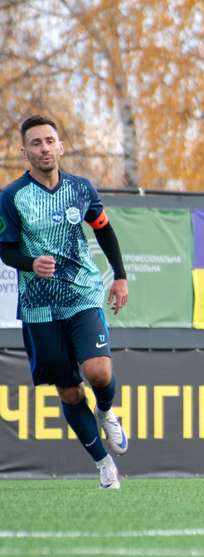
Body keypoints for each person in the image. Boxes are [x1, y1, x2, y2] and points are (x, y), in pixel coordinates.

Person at [0, 115, 129, 489]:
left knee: (99, 372)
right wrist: (30, 263)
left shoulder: (80, 188)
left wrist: (119, 275)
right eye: (36, 143)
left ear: (60, 146)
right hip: (40, 307)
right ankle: (104, 464)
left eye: (49, 141)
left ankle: (106, 412)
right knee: (70, 391)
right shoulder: (11, 198)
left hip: (81, 293)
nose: (44, 148)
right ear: (25, 152)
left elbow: (104, 229)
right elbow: (5, 249)